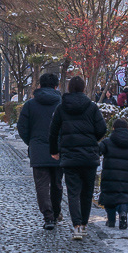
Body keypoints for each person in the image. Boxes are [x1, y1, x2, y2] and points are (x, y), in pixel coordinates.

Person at [49, 75, 108, 241]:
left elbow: (53, 132)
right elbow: (102, 128)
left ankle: (76, 226)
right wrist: (91, 139)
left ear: (69, 89)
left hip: (69, 155)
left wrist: (54, 150)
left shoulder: (62, 108)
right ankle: (84, 225)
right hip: (89, 155)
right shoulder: (92, 107)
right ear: (83, 88)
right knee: (87, 193)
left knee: (73, 192)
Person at [17, 73, 64, 230]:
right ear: (56, 86)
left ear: (40, 86)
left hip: (38, 150)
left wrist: (31, 142)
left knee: (42, 185)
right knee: (57, 184)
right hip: (58, 149)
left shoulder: (30, 105)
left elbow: (22, 127)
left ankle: (48, 217)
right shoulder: (62, 103)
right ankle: (56, 213)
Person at [97, 117, 128, 230]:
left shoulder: (107, 142)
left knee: (110, 198)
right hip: (126, 177)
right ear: (127, 128)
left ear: (113, 128)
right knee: (124, 197)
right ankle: (123, 213)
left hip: (110, 176)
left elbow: (97, 151)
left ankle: (111, 220)